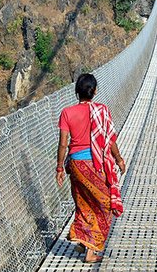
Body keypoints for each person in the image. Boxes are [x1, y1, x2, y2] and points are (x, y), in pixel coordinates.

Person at [57, 74, 126, 263]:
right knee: (105, 204)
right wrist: (119, 159)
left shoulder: (67, 112)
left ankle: (81, 240)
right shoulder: (101, 111)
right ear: (94, 91)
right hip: (95, 164)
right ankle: (91, 251)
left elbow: (63, 144)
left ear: (76, 91)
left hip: (75, 166)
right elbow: (109, 139)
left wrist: (59, 168)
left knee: (84, 202)